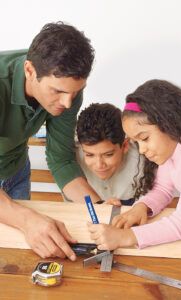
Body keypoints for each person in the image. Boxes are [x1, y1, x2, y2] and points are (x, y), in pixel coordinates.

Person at [0, 22, 102, 260]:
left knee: (13, 261)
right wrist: (26, 219)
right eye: (57, 92)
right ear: (29, 71)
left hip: (16, 170)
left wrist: (100, 210)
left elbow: (62, 161)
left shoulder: (68, 88)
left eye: (75, 93)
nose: (68, 103)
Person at [87, 79, 181, 251]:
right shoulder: (172, 151)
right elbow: (162, 189)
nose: (142, 149)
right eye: (136, 142)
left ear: (169, 125)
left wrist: (127, 237)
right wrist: (141, 206)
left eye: (144, 138)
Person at [75, 103, 143, 206]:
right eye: (89, 155)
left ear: (125, 146)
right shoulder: (71, 156)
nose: (99, 165)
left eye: (108, 154)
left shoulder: (143, 159)